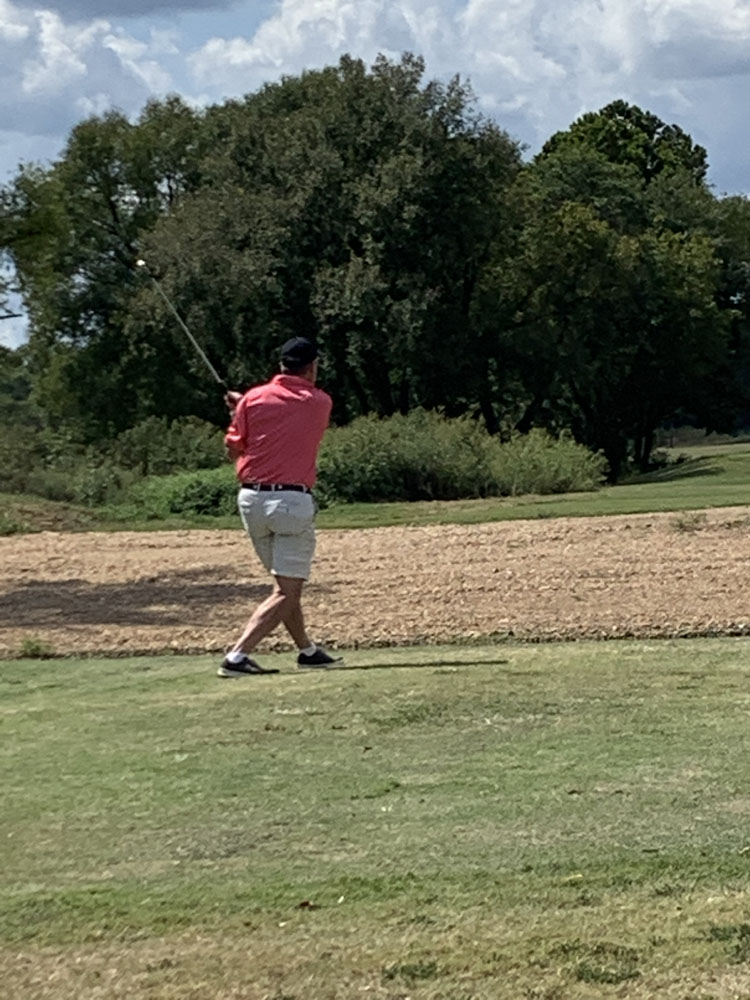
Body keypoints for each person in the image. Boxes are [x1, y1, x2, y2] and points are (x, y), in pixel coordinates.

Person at [217, 336, 341, 677]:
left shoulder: (252, 399)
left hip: (251, 501)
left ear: (282, 365)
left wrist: (240, 409)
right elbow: (291, 416)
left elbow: (233, 449)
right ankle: (237, 656)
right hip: (291, 502)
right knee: (287, 590)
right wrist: (245, 408)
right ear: (312, 367)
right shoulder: (320, 402)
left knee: (284, 587)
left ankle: (307, 650)